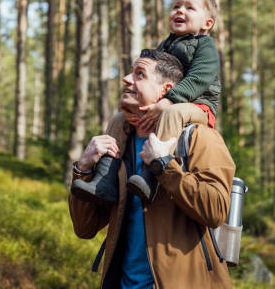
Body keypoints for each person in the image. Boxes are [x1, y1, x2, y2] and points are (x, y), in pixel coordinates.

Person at [69, 49, 235, 288]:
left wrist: (165, 166)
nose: (127, 79)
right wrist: (83, 168)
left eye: (140, 74)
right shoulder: (118, 145)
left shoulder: (199, 138)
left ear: (165, 90)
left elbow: (216, 210)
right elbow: (84, 228)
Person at [71, 0, 221, 204]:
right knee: (118, 120)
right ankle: (105, 180)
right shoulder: (165, 45)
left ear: (207, 23)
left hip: (199, 105)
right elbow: (153, 82)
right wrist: (134, 111)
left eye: (189, 8)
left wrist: (169, 100)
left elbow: (200, 77)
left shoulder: (204, 45)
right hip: (169, 101)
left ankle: (151, 177)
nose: (180, 11)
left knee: (172, 112)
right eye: (176, 7)